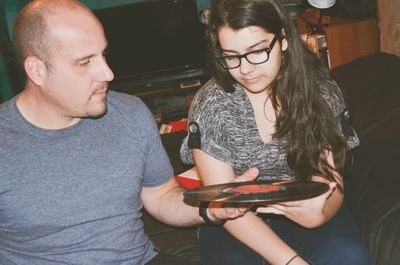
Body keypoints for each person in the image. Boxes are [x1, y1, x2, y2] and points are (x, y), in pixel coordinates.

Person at [0, 0, 260, 264]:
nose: (107, 73)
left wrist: (213, 207)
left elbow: (161, 196)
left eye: (103, 55)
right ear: (37, 70)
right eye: (85, 61)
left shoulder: (130, 113)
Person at [180, 0, 373, 264]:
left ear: (283, 40)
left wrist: (320, 213)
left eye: (257, 51)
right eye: (231, 56)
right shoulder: (211, 105)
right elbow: (222, 201)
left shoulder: (320, 92)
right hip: (237, 219)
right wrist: (290, 261)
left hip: (306, 204)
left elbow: (331, 183)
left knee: (348, 256)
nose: (244, 69)